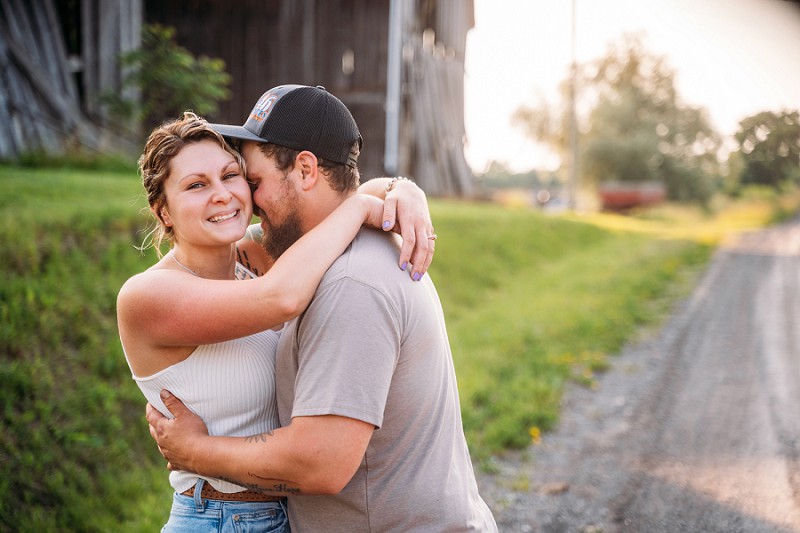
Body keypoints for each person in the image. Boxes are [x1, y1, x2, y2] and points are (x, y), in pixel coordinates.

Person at [146, 84, 498, 532]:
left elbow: (319, 464)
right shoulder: (341, 250)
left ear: (307, 170)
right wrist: (394, 189)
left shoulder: (350, 283)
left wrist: (194, 453)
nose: (250, 206)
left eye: (253, 183)